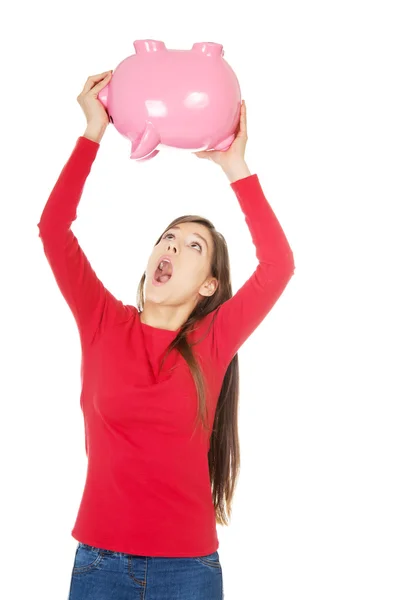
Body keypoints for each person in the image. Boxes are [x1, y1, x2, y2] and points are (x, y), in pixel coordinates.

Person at [37, 70, 295, 600]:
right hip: (99, 565)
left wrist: (235, 166)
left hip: (189, 571)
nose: (172, 250)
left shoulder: (214, 343)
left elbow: (278, 265)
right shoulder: (102, 320)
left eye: (192, 247)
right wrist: (93, 131)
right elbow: (53, 228)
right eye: (168, 239)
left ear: (208, 285)